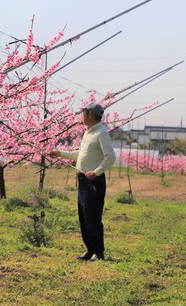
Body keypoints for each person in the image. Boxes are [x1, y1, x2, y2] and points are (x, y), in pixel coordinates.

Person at [50, 102, 116, 261]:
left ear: (90, 115)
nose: (81, 117)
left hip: (93, 181)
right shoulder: (88, 133)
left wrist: (96, 171)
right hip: (83, 180)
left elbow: (110, 156)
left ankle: (98, 253)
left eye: (83, 113)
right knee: (84, 217)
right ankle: (90, 250)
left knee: (93, 217)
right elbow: (81, 153)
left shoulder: (101, 133)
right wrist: (61, 153)